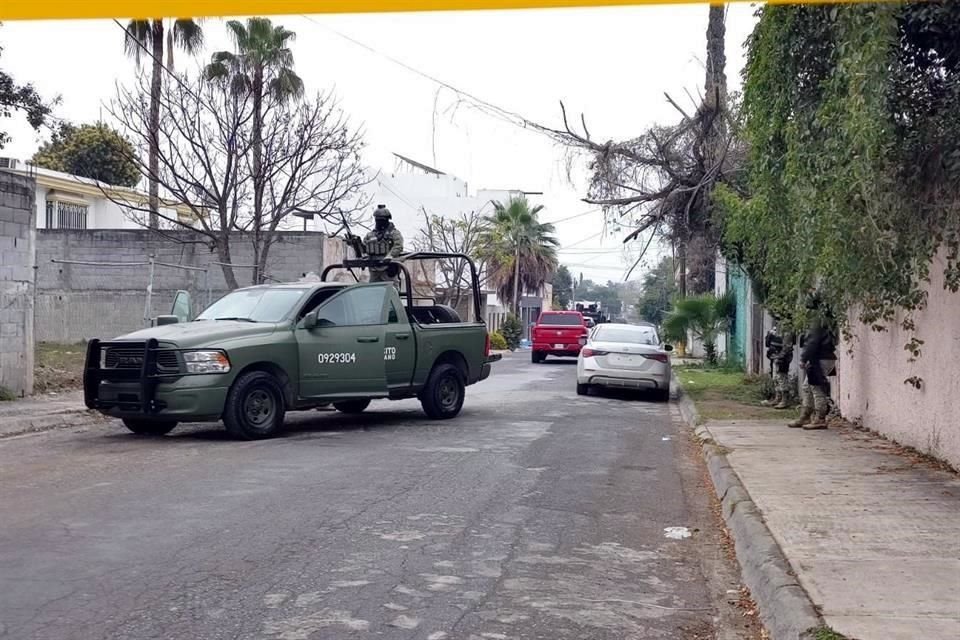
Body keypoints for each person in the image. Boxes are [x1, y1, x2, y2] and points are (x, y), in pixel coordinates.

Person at [788, 292, 837, 430]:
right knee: (807, 387)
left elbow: (812, 341)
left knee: (815, 387)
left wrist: (804, 358)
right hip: (824, 357)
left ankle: (820, 418)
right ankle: (805, 416)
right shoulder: (827, 318)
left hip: (819, 358)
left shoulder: (816, 320)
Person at [363, 204, 404, 285]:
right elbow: (364, 247)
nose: (379, 222)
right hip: (374, 268)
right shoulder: (370, 235)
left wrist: (390, 256)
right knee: (373, 291)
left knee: (391, 291)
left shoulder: (394, 233)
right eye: (377, 220)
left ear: (387, 220)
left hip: (388, 268)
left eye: (382, 220)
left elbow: (398, 246)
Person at [764, 319, 795, 409]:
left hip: (782, 357)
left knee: (782, 378)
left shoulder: (787, 330)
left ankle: (785, 400)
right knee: (775, 378)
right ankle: (777, 398)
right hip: (775, 355)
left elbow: (787, 347)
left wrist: (780, 357)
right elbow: (768, 342)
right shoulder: (776, 329)